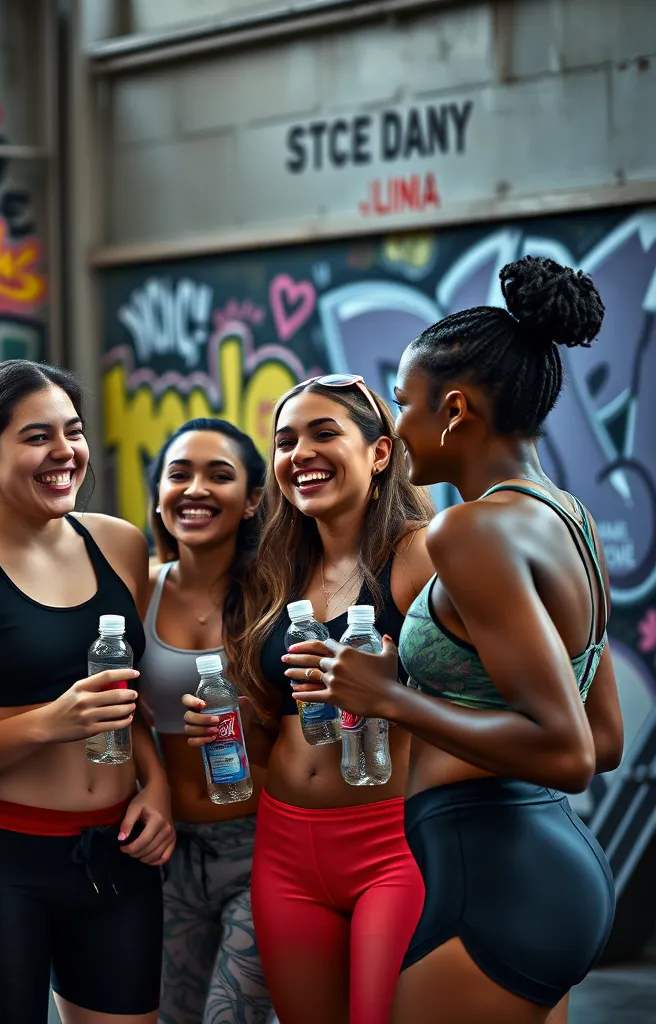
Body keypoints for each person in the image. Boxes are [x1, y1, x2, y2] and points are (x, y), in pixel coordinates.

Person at [304, 256, 624, 1024]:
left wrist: (390, 698)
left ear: (455, 410)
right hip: (543, 860)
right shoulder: (568, 519)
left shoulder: (471, 530)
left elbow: (572, 752)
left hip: (495, 872)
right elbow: (606, 733)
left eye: (404, 404)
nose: (397, 426)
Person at [0, 360, 177, 1024]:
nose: (65, 453)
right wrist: (48, 722)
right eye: (37, 437)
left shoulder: (118, 544)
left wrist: (159, 788)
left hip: (118, 856)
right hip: (2, 862)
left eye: (74, 431)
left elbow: (129, 704)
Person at [186, 376, 435, 1024]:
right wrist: (231, 725)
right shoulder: (272, 576)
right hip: (285, 846)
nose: (301, 453)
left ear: (380, 452)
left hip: (392, 842)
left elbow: (480, 701)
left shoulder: (415, 557)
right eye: (286, 440)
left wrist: (390, 689)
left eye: (325, 434)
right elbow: (272, 732)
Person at [140, 418, 272, 1024]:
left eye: (220, 476)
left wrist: (253, 717)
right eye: (179, 474)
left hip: (261, 847)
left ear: (251, 502)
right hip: (160, 855)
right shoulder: (136, 592)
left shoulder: (277, 599)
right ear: (159, 497)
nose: (196, 489)